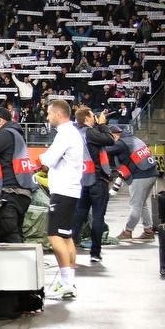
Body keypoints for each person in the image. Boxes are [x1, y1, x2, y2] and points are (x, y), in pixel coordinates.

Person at [38, 98, 84, 300]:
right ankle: (69, 281)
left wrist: (43, 159)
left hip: (64, 191)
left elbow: (47, 159)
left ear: (58, 114)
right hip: (70, 190)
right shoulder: (71, 133)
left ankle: (66, 283)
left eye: (49, 114)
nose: (47, 117)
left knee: (54, 236)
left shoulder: (65, 134)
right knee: (66, 236)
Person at [0, 107, 38, 243]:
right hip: (19, 191)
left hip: (10, 192)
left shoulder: (5, 134)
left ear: (1, 121)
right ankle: (24, 263)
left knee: (9, 236)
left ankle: (21, 263)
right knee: (14, 234)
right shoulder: (14, 133)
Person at [70, 106, 114, 262]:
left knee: (79, 214)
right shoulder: (89, 132)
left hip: (82, 179)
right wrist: (102, 124)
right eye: (92, 116)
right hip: (97, 179)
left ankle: (71, 247)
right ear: (87, 118)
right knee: (97, 217)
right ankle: (95, 252)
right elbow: (109, 140)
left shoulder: (76, 133)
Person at [106, 125, 158, 241]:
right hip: (152, 173)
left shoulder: (120, 143)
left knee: (135, 205)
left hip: (140, 175)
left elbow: (105, 150)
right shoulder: (133, 139)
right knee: (142, 203)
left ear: (114, 136)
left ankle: (128, 232)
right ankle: (148, 232)